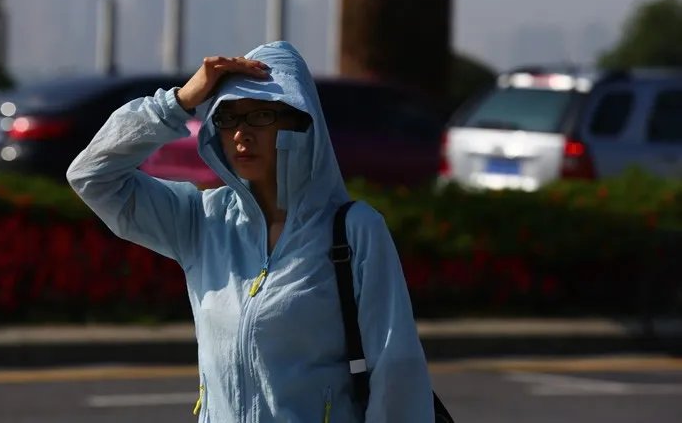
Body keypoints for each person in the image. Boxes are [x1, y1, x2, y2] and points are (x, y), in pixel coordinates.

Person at [66, 41, 435, 422]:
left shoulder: (355, 230)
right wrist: (178, 102)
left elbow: (397, 372)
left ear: (300, 123)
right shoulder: (203, 220)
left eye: (261, 115)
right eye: (229, 118)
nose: (241, 133)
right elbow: (92, 176)